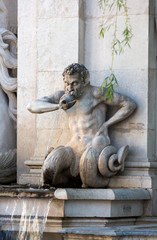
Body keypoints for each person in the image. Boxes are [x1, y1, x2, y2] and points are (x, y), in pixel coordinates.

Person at [27, 63, 136, 188]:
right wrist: (57, 106)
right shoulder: (62, 96)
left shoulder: (96, 93)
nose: (70, 88)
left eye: (75, 83)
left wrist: (107, 124)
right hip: (72, 149)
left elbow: (129, 104)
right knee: (49, 170)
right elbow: (31, 106)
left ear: (85, 81)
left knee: (88, 172)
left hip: (93, 148)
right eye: (67, 84)